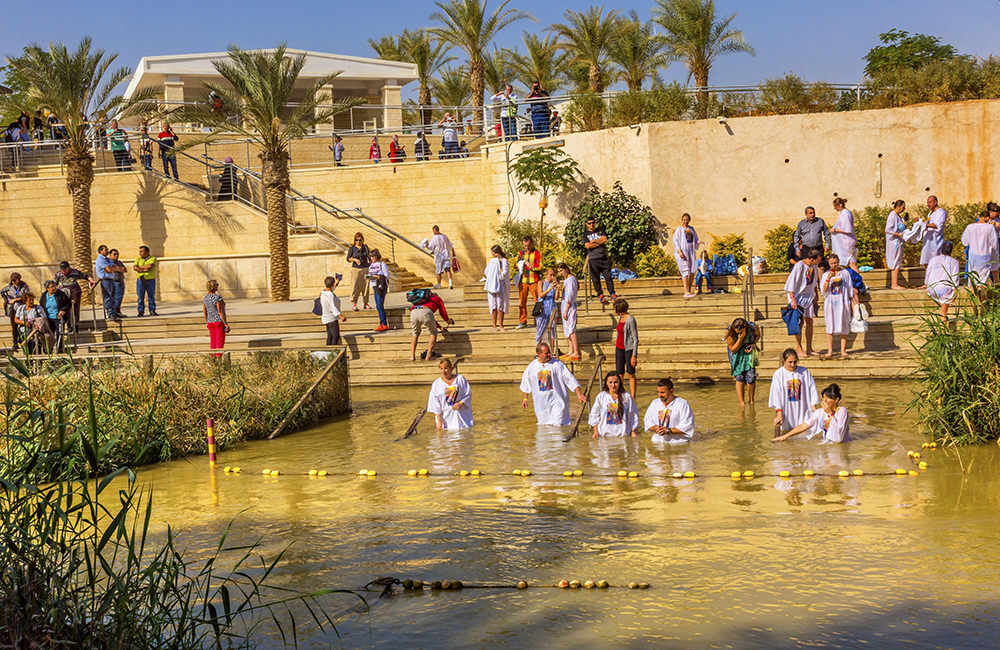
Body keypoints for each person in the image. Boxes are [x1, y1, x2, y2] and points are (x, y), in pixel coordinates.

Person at [519, 342, 586, 426]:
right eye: (546, 353)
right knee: (545, 428)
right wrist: (525, 399)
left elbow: (570, 379)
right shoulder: (532, 367)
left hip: (557, 400)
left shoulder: (557, 364)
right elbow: (526, 383)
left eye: (549, 352)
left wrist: (579, 394)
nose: (549, 354)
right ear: (538, 354)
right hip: (541, 403)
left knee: (558, 424)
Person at [772, 383, 850, 443]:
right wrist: (785, 436)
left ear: (836, 399)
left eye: (828, 398)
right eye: (823, 398)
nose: (824, 401)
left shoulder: (842, 411)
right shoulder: (821, 412)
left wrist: (830, 414)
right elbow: (805, 425)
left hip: (839, 448)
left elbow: (838, 436)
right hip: (828, 446)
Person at [768, 348, 820, 433]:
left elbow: (812, 389)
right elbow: (776, 394)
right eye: (790, 362)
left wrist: (814, 410)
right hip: (787, 409)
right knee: (787, 431)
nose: (793, 365)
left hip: (803, 408)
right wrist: (779, 413)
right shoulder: (778, 374)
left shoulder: (804, 372)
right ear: (784, 361)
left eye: (795, 362)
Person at [784, 247, 821, 356]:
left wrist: (816, 294)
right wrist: (793, 299)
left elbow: (814, 282)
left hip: (808, 296)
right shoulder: (799, 266)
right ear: (811, 258)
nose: (820, 261)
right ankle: (799, 348)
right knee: (799, 323)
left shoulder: (814, 267)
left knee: (810, 321)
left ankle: (809, 348)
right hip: (797, 296)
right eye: (818, 259)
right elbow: (790, 284)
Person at [820, 253, 857, 358]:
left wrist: (851, 302)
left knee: (844, 325)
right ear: (829, 263)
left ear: (838, 262)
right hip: (831, 303)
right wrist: (828, 279)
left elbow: (849, 288)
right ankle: (830, 350)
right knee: (830, 326)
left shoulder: (845, 273)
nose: (834, 265)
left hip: (843, 302)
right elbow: (824, 290)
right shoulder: (825, 274)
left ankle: (843, 350)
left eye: (835, 263)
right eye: (831, 263)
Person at [589, 371, 639, 438]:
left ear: (619, 383)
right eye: (610, 382)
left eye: (615, 382)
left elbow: (633, 414)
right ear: (606, 383)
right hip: (604, 437)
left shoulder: (626, 396)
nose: (613, 385)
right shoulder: (601, 397)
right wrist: (595, 431)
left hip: (623, 436)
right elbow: (594, 414)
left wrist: (633, 431)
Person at [427, 358, 473, 430]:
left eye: (446, 368)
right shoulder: (437, 384)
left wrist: (460, 403)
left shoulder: (460, 379)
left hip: (461, 416)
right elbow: (435, 403)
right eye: (441, 369)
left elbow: (467, 394)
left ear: (451, 369)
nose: (443, 371)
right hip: (446, 418)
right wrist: (439, 421)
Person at [643, 377, 695, 441]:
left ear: (671, 391)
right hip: (657, 443)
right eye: (658, 392)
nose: (660, 395)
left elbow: (688, 427)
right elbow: (648, 423)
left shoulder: (683, 404)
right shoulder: (654, 403)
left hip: (677, 444)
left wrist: (668, 430)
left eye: (662, 392)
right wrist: (656, 428)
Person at [726, 317, 761, 408]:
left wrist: (753, 344)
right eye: (738, 332)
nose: (740, 333)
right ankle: (742, 402)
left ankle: (752, 401)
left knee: (751, 377)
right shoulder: (729, 332)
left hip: (748, 352)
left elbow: (758, 336)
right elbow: (733, 349)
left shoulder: (753, 327)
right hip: (736, 354)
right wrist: (740, 339)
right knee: (739, 376)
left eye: (741, 331)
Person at [960, 210, 999, 289]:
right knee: (983, 280)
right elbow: (994, 243)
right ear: (987, 217)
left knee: (973, 279)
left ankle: (973, 297)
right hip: (985, 256)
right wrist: (997, 255)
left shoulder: (970, 227)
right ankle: (981, 298)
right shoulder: (990, 227)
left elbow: (964, 242)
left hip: (973, 256)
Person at [410, 291, 452, 362]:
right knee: (433, 333)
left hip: (413, 312)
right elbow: (442, 313)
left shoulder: (421, 299)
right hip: (426, 311)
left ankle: (412, 356)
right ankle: (428, 356)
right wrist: (448, 320)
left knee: (415, 333)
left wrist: (440, 327)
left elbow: (431, 320)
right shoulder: (437, 298)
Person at [583, 217, 615, 303]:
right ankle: (600, 294)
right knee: (595, 278)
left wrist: (593, 242)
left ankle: (612, 294)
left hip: (603, 257)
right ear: (587, 224)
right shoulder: (585, 234)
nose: (591, 225)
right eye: (589, 223)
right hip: (593, 258)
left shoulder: (600, 230)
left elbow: (605, 239)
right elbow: (588, 246)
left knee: (608, 277)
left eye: (593, 223)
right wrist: (599, 241)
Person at [55, 261, 95, 331]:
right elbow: (55, 283)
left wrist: (90, 280)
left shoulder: (74, 272)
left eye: (65, 269)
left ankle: (76, 325)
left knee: (75, 309)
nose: (63, 271)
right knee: (66, 309)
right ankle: (69, 326)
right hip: (64, 294)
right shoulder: (59, 274)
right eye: (62, 269)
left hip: (75, 293)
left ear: (68, 268)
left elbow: (85, 276)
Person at [925, 241, 960, 319]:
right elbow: (955, 277)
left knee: (942, 308)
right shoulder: (954, 262)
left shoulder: (933, 260)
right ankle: (943, 327)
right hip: (945, 289)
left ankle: (943, 319)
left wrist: (927, 286)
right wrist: (955, 291)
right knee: (943, 312)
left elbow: (928, 274)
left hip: (932, 288)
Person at [515, 235, 542, 329]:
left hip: (534, 280)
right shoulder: (521, 253)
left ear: (532, 243)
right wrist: (524, 263)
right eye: (525, 245)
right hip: (523, 280)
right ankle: (523, 321)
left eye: (528, 245)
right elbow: (516, 265)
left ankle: (539, 320)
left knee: (537, 301)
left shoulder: (537, 253)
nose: (527, 247)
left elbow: (540, 267)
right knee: (522, 302)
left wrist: (532, 267)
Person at [613, 298, 638, 396]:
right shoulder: (620, 318)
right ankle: (621, 394)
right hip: (619, 348)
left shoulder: (631, 319)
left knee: (630, 373)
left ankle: (633, 395)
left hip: (629, 349)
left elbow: (635, 338)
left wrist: (634, 355)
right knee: (620, 374)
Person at [673, 213, 700, 298]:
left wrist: (700, 242)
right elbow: (676, 241)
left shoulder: (691, 229)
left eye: (687, 220)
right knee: (685, 271)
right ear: (682, 220)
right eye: (684, 220)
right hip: (683, 252)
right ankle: (686, 291)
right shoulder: (679, 229)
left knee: (692, 270)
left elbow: (695, 240)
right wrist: (679, 251)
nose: (686, 221)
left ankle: (689, 290)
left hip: (691, 252)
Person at [484, 245, 510, 331]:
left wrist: (499, 274)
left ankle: (501, 325)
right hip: (492, 285)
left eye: (493, 252)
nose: (492, 254)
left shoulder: (504, 261)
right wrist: (492, 278)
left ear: (496, 253)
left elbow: (504, 273)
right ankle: (494, 325)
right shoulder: (492, 261)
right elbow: (487, 271)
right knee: (493, 305)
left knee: (500, 305)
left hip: (500, 286)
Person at [39, 280, 71, 350]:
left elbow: (68, 304)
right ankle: (48, 350)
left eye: (55, 286)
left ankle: (59, 349)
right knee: (49, 335)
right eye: (52, 287)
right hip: (48, 318)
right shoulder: (44, 296)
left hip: (58, 317)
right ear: (47, 289)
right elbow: (41, 305)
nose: (54, 288)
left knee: (59, 333)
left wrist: (63, 310)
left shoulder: (61, 294)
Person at [920, 195, 947, 275]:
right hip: (927, 240)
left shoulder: (941, 212)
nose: (928, 204)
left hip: (936, 241)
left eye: (930, 202)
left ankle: (936, 280)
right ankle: (928, 281)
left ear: (935, 202)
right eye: (927, 202)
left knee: (936, 261)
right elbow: (927, 224)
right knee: (926, 260)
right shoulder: (930, 213)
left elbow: (938, 225)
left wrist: (925, 225)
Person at [557, 263, 579, 361]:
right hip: (564, 305)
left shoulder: (571, 279)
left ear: (566, 269)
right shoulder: (566, 280)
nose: (560, 273)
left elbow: (570, 295)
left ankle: (576, 352)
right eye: (559, 271)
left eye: (561, 270)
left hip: (569, 307)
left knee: (571, 329)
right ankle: (571, 350)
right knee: (567, 329)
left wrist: (566, 310)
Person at [202, 279, 229, 358]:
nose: (218, 285)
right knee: (219, 342)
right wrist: (225, 324)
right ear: (214, 287)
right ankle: (218, 360)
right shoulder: (217, 297)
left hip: (210, 322)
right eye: (217, 284)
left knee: (213, 342)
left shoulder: (205, 298)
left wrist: (207, 321)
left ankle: (212, 359)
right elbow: (220, 311)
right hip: (218, 322)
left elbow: (204, 311)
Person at [829, 197, 858, 272]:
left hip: (846, 243)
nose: (834, 208)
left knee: (850, 261)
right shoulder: (844, 213)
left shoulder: (846, 214)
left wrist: (835, 230)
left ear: (840, 205)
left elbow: (847, 229)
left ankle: (858, 280)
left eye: (835, 206)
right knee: (850, 262)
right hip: (843, 243)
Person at [2, 273, 30, 346]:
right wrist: (6, 298)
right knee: (14, 326)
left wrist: (16, 299)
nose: (13, 282)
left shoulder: (24, 286)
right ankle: (15, 342)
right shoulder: (10, 286)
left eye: (15, 280)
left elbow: (27, 295)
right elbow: (2, 291)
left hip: (22, 308)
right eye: (12, 280)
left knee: (22, 325)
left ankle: (22, 340)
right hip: (13, 309)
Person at [885, 199, 908, 290]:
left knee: (898, 261)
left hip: (898, 242)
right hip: (894, 243)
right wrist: (898, 234)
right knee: (895, 262)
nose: (904, 208)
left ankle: (895, 283)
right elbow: (888, 229)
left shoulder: (898, 216)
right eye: (903, 207)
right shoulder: (892, 216)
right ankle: (894, 284)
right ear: (898, 206)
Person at [346, 232, 371, 311]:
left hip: (365, 268)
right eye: (356, 240)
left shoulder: (365, 247)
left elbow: (369, 256)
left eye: (360, 240)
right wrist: (354, 259)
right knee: (355, 286)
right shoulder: (352, 248)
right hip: (356, 269)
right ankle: (354, 303)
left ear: (362, 240)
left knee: (366, 285)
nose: (358, 242)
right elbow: (348, 259)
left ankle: (366, 303)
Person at [94, 245, 120, 322]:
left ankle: (114, 312)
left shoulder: (108, 259)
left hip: (111, 279)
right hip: (105, 280)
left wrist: (112, 269)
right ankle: (110, 313)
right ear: (101, 251)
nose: (107, 251)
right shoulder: (100, 259)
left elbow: (116, 268)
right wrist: (111, 269)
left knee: (113, 297)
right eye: (106, 250)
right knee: (108, 297)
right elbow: (108, 269)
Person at [534, 267, 559, 346]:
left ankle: (552, 351)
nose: (552, 277)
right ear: (546, 274)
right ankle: (538, 350)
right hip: (543, 307)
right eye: (550, 275)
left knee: (552, 330)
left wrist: (557, 289)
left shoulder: (554, 283)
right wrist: (550, 288)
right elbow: (540, 295)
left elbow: (556, 298)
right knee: (540, 329)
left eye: (553, 275)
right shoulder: (541, 282)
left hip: (552, 307)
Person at [367, 249, 390, 331]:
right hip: (374, 286)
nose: (372, 258)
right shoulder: (371, 265)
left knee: (380, 305)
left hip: (381, 286)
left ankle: (384, 324)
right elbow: (370, 274)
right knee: (378, 305)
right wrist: (368, 277)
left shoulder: (382, 264)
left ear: (377, 256)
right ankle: (382, 323)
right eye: (370, 256)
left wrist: (376, 276)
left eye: (373, 256)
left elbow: (386, 276)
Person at [320, 275, 347, 345]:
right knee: (335, 336)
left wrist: (337, 282)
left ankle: (328, 352)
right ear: (332, 284)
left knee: (330, 336)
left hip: (326, 318)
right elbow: (333, 307)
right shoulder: (330, 295)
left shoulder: (323, 291)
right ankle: (333, 351)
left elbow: (331, 289)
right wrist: (341, 316)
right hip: (331, 318)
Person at [133, 245, 158, 317]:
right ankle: (140, 311)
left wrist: (139, 268)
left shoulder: (152, 258)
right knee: (140, 296)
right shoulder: (138, 260)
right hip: (140, 280)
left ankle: (152, 310)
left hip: (150, 280)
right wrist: (144, 269)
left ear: (147, 252)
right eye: (139, 251)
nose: (140, 253)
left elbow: (150, 267)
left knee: (151, 295)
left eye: (142, 251)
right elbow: (135, 268)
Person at [108, 249, 127, 317]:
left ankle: (117, 311)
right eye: (114, 254)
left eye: (117, 254)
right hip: (114, 282)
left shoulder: (119, 262)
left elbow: (124, 269)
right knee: (114, 297)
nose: (116, 256)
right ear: (110, 255)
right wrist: (119, 269)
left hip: (120, 281)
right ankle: (114, 312)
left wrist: (118, 268)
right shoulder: (108, 262)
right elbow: (111, 269)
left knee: (119, 297)